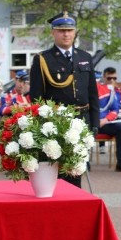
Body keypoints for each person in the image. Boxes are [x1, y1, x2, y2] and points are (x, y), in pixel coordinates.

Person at [29, 12, 99, 187]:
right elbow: (36, 97)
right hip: (56, 121)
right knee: (58, 168)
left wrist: (95, 123)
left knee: (77, 167)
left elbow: (93, 93)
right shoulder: (43, 59)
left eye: (69, 30)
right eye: (61, 31)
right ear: (53, 33)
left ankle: (76, 204)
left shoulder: (84, 57)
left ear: (75, 32)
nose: (66, 34)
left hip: (82, 119)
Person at [97, 68, 121, 172]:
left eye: (115, 78)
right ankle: (84, 162)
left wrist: (105, 120)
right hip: (92, 122)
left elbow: (115, 109)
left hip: (105, 123)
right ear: (104, 77)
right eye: (109, 78)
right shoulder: (95, 88)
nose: (112, 80)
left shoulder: (113, 91)